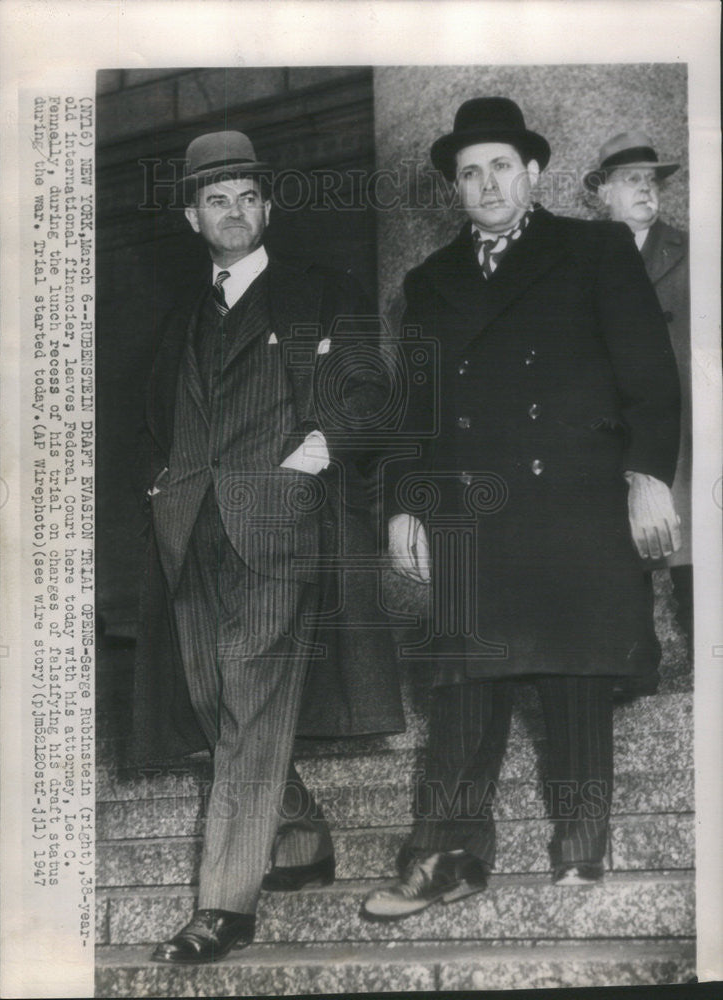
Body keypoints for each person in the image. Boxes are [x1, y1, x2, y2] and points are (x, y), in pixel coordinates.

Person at [363, 97, 681, 920]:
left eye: (502, 164)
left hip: (575, 495)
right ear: (454, 189)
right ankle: (444, 857)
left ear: (533, 173)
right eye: (470, 172)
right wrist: (403, 504)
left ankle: (581, 843)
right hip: (476, 506)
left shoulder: (595, 248)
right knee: (464, 682)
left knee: (577, 675)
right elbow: (418, 407)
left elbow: (650, 377)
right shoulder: (428, 282)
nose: (487, 182)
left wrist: (648, 474)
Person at [132, 130, 403, 962]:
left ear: (268, 206)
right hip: (191, 531)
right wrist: (164, 488)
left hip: (281, 528)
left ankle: (224, 905)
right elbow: (154, 415)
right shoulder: (179, 315)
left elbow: (367, 393)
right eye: (218, 199)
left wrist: (304, 462)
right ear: (193, 217)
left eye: (249, 196)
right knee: (217, 703)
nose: (236, 212)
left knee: (248, 700)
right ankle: (298, 841)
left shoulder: (321, 290)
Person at [583, 131, 692, 641]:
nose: (646, 190)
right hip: (618, 427)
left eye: (651, 181)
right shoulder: (582, 262)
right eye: (631, 180)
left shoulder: (693, 251)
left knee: (695, 546)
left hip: (690, 425)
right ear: (603, 193)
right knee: (624, 552)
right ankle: (636, 667)